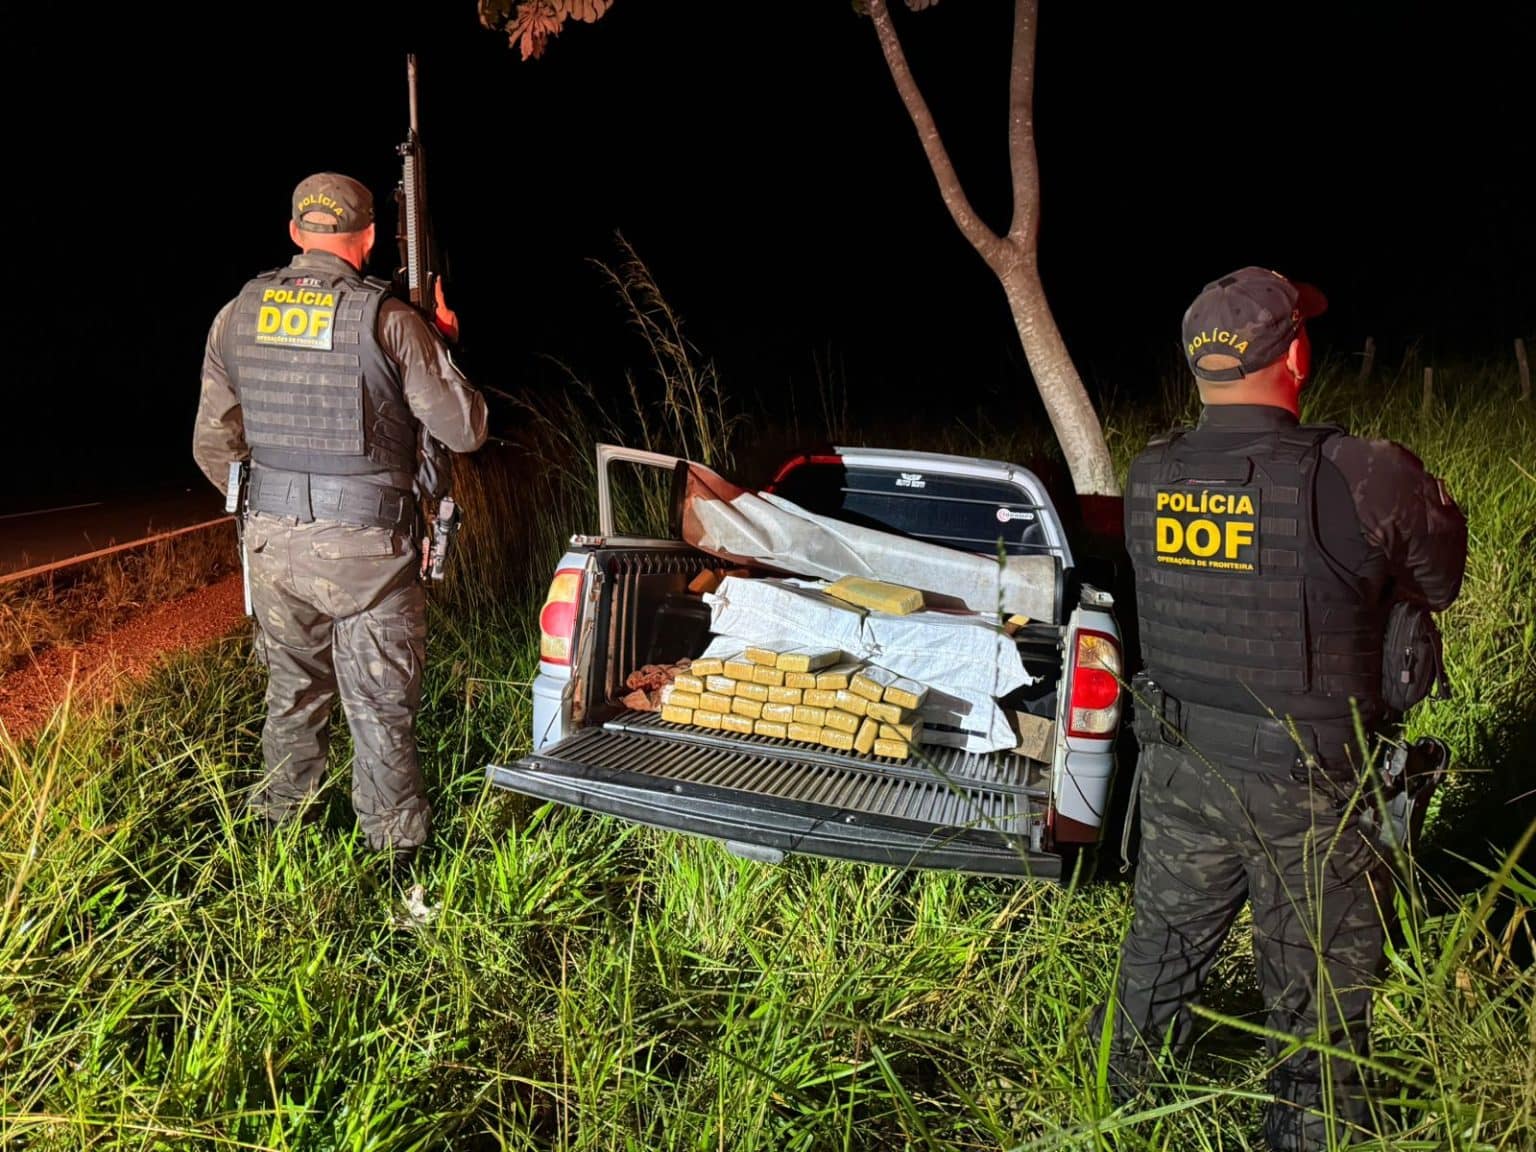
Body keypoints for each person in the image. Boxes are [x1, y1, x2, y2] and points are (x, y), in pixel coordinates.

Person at [1099, 267, 1467, 1149]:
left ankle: (1123, 1110)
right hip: (1312, 781)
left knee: (1160, 953)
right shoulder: (1364, 472)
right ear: (1295, 354)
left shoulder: (1150, 476)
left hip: (1181, 763)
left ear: (1197, 365)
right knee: (1319, 996)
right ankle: (1307, 1131)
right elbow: (1438, 581)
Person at [192, 171, 487, 866]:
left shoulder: (237, 314)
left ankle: (274, 844)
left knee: (291, 695)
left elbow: (213, 443)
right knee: (379, 708)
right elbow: (465, 427)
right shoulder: (389, 320)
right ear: (370, 238)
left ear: (296, 233)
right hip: (369, 554)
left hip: (269, 544)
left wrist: (268, 508)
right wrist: (442, 341)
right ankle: (396, 861)